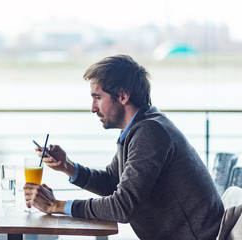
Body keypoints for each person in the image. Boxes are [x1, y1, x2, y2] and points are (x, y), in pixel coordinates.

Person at [23, 54, 224, 240]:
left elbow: (122, 207)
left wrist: (55, 205)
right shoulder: (139, 127)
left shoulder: (150, 132)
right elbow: (113, 182)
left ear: (123, 96)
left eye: (98, 98)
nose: (93, 108)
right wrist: (67, 166)